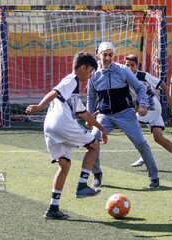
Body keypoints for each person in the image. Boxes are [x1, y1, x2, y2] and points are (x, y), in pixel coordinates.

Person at [26, 52, 108, 220]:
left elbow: (84, 114)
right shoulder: (71, 80)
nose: (91, 75)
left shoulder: (72, 92)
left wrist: (101, 128)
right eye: (91, 71)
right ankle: (82, 185)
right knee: (93, 146)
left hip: (50, 128)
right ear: (83, 68)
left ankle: (53, 208)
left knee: (64, 165)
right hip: (63, 124)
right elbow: (54, 92)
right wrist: (39, 107)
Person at [87, 42, 160, 189]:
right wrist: (89, 116)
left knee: (141, 143)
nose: (107, 58)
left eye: (110, 55)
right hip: (104, 116)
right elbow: (91, 98)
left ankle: (154, 177)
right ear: (98, 55)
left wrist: (143, 104)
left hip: (126, 114)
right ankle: (97, 174)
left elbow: (140, 88)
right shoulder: (93, 75)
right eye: (104, 55)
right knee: (92, 140)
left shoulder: (123, 70)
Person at [124, 54, 172, 170]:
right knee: (158, 137)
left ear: (137, 66)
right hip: (148, 109)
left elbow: (163, 85)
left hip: (152, 107)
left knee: (131, 124)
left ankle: (144, 156)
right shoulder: (124, 78)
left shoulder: (143, 75)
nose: (130, 68)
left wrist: (169, 98)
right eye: (127, 65)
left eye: (132, 65)